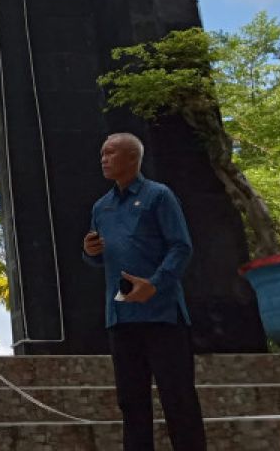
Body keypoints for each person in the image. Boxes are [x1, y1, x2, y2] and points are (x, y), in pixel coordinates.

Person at [82, 133, 207, 451]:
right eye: (101, 154)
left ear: (132, 158)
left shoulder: (158, 195)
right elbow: (99, 260)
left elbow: (181, 246)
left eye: (110, 153)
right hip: (121, 318)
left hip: (163, 315)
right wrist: (90, 252)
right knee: (132, 403)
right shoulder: (101, 206)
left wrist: (154, 283)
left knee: (178, 399)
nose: (103, 159)